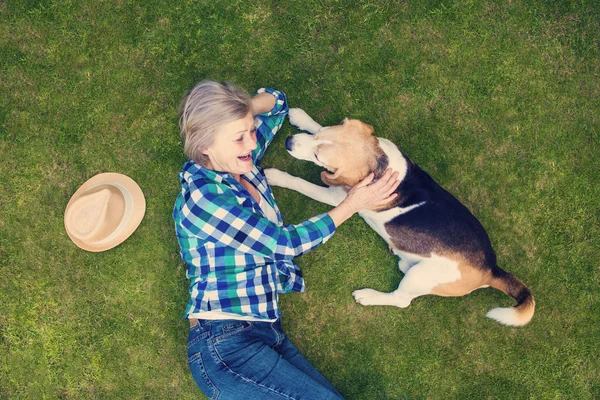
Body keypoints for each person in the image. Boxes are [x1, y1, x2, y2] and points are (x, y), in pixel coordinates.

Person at [173, 80, 399, 399]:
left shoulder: (240, 163)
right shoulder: (204, 198)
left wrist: (241, 111)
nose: (251, 143)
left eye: (250, 131)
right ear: (206, 145)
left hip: (263, 332)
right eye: (238, 137)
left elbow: (278, 104)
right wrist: (352, 204)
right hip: (224, 346)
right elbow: (283, 245)